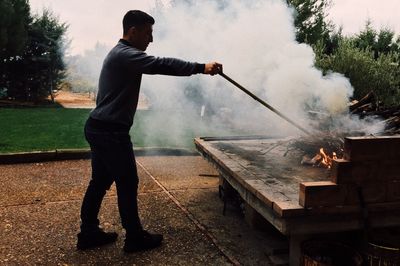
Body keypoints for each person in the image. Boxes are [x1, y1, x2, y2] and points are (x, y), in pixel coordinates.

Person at [77, 10, 222, 253]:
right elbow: (160, 64)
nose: (151, 39)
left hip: (100, 127)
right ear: (132, 32)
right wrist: (201, 67)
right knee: (127, 182)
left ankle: (88, 233)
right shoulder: (125, 54)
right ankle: (134, 237)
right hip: (110, 132)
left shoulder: (121, 53)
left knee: (100, 181)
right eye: (148, 33)